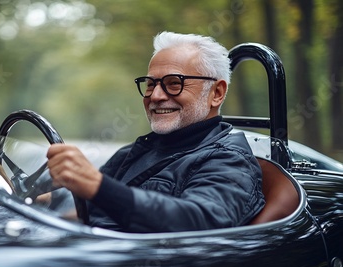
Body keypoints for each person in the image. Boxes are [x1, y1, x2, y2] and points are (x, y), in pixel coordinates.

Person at [46, 31, 265, 233]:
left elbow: (200, 221)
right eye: (151, 84)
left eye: (174, 83)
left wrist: (99, 187)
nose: (156, 96)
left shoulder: (229, 161)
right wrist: (46, 202)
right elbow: (87, 208)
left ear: (216, 93)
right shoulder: (133, 152)